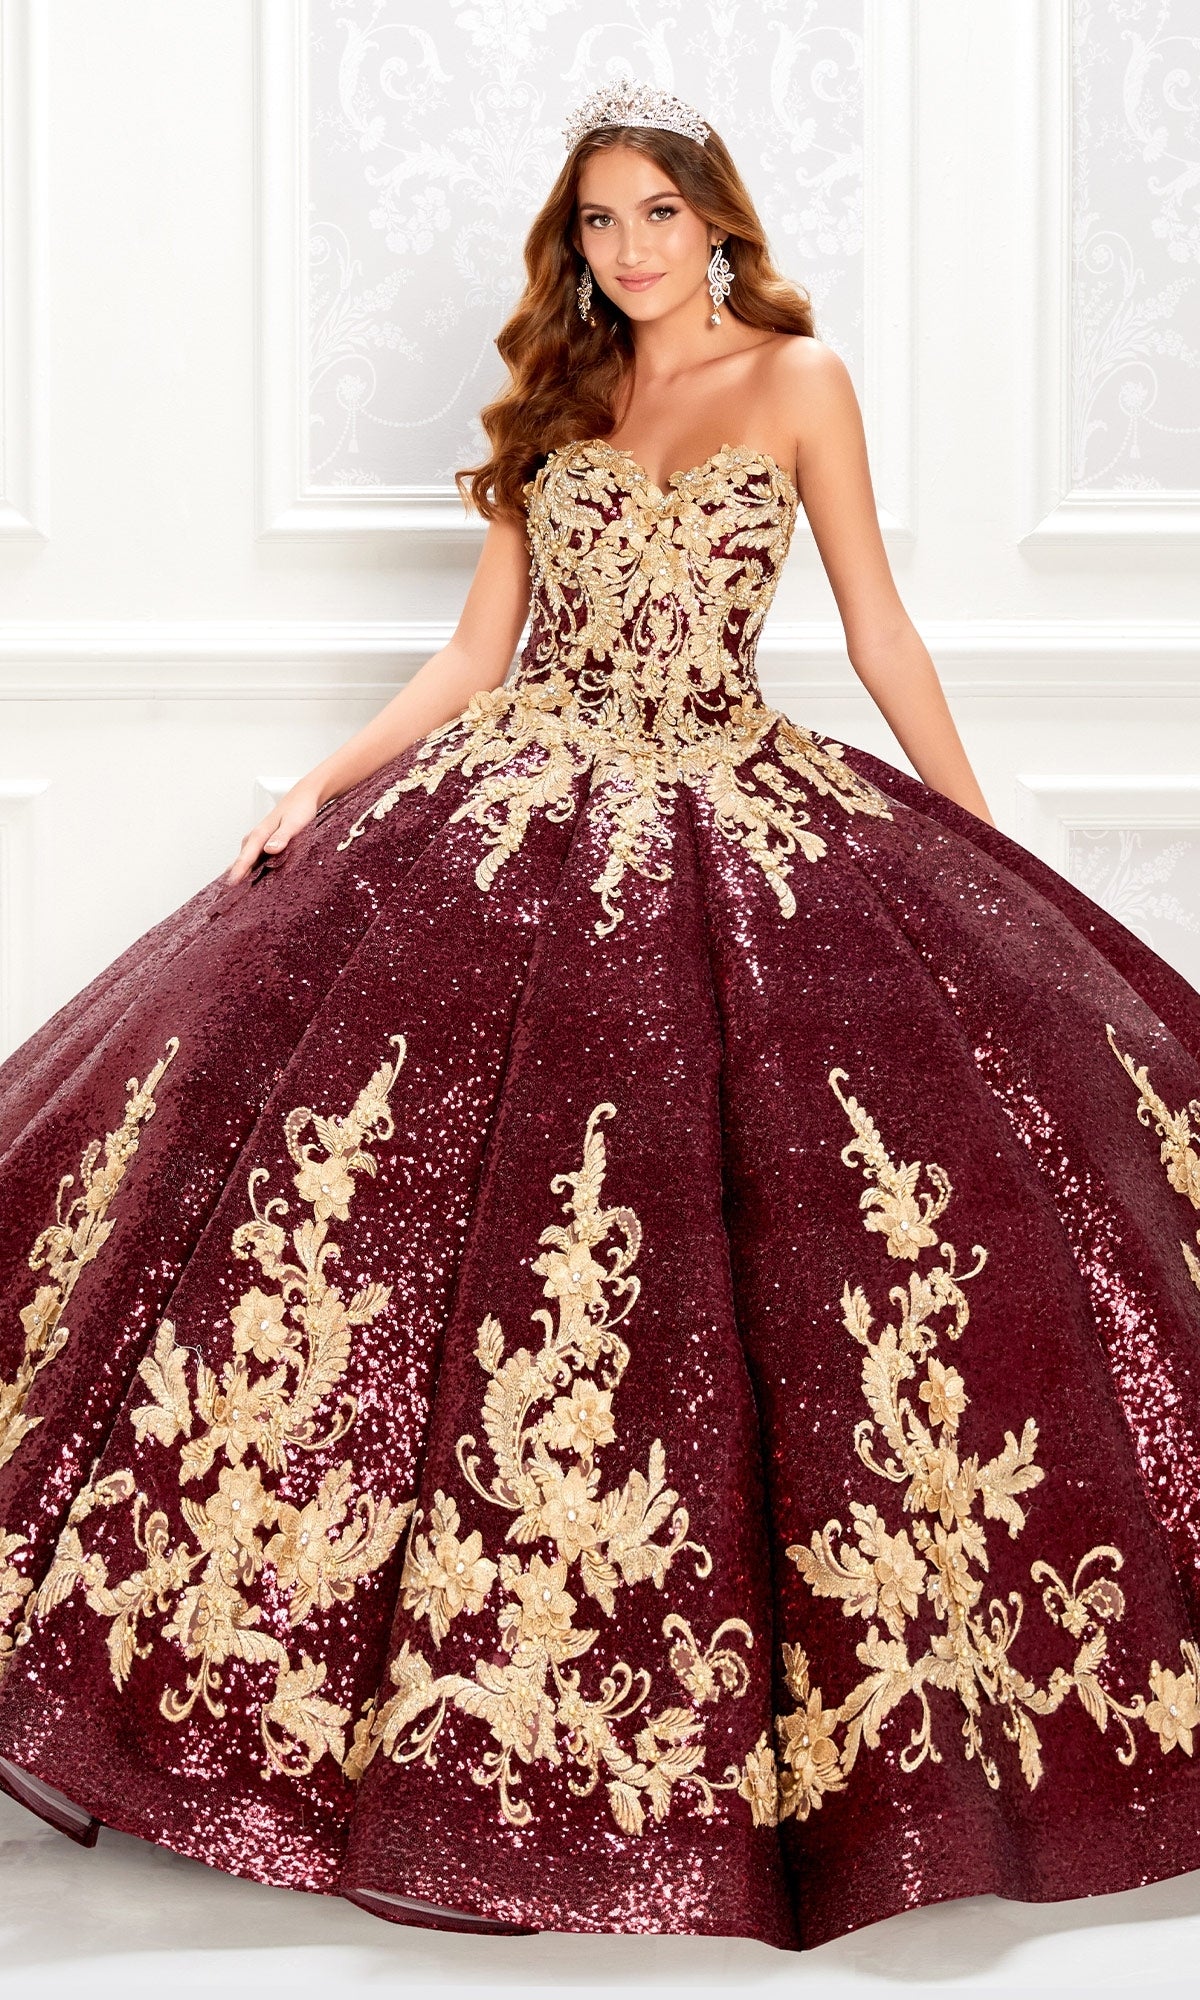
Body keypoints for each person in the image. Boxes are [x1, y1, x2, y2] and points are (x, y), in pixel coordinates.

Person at [0, 76, 1198, 1955]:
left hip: (736, 803)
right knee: (367, 1194)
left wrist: (970, 841)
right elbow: (479, 657)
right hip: (524, 796)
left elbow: (879, 630)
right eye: (599, 226)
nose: (629, 253)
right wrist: (324, 782)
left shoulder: (796, 383)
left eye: (657, 215)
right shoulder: (565, 404)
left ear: (716, 220)